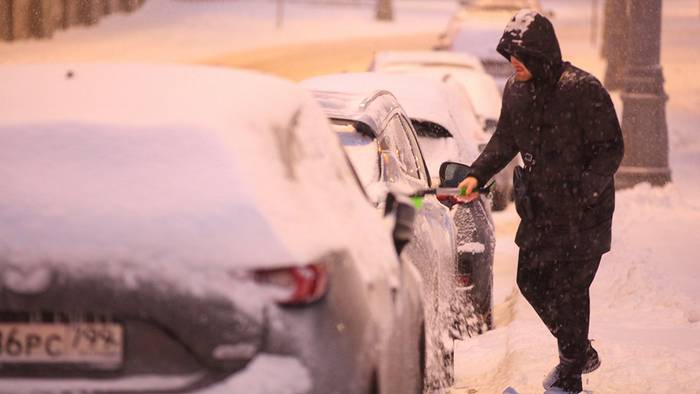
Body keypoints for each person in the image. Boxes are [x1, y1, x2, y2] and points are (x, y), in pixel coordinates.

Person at [457, 9, 624, 394]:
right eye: (509, 57)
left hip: (584, 216)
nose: (512, 64)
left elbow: (610, 149)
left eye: (519, 58)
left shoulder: (582, 89)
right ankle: (578, 352)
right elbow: (504, 141)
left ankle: (569, 377)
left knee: (570, 289)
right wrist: (475, 175)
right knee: (530, 280)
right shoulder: (516, 92)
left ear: (540, 55)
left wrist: (584, 191)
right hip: (541, 213)